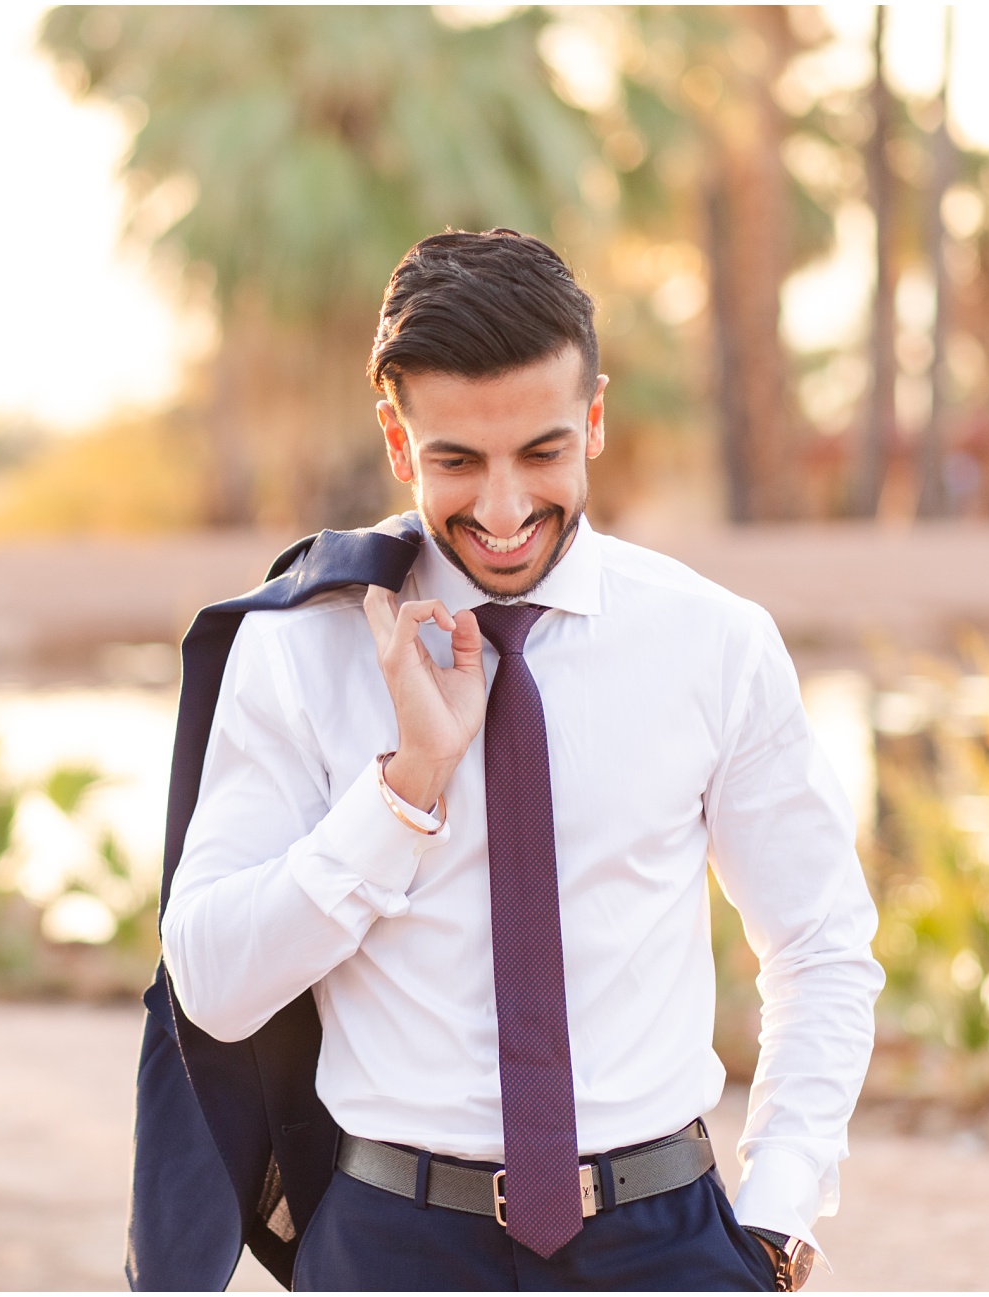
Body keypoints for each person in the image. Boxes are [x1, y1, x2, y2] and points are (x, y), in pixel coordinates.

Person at [131, 228, 883, 1292]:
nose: (502, 509)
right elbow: (212, 982)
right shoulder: (302, 646)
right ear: (398, 440)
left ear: (597, 418)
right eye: (456, 460)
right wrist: (404, 793)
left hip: (666, 1242)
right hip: (391, 1245)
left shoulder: (713, 643)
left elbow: (819, 940)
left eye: (541, 452)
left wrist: (777, 1216)